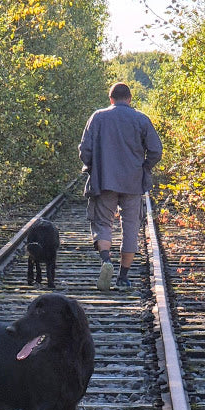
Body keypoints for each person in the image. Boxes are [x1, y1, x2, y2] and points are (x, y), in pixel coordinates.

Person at [78, 82, 162, 291]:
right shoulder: (141, 119)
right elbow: (155, 150)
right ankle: (123, 277)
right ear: (130, 98)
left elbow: (85, 149)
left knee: (103, 223)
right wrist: (144, 167)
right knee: (131, 227)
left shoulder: (97, 117)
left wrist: (93, 166)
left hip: (104, 180)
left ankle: (106, 261)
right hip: (133, 182)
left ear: (111, 99)